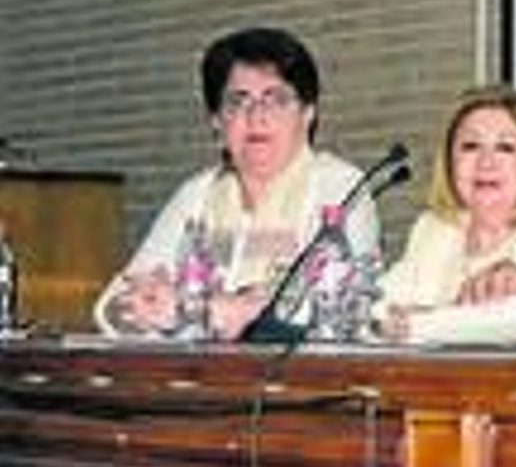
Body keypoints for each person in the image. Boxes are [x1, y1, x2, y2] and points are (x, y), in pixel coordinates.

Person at [94, 27, 380, 340]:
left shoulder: (340, 187)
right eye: (238, 102)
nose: (256, 116)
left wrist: (210, 311)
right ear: (217, 121)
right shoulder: (196, 195)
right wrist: (144, 308)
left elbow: (342, 305)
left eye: (276, 99)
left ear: (308, 114)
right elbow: (110, 306)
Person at [376, 84, 516, 345]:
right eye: (471, 146)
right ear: (450, 161)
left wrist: (421, 320)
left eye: (505, 147)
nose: (486, 162)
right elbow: (376, 307)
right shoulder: (434, 227)